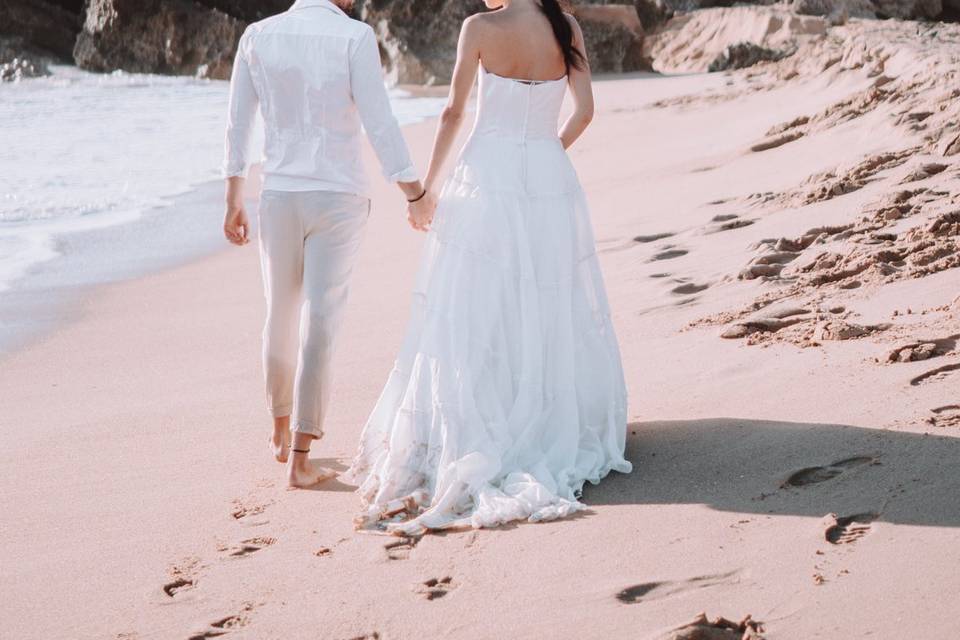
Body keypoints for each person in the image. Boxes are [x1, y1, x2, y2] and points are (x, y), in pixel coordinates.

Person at [342, 0, 633, 535]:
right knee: (546, 297)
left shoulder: (480, 28)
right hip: (548, 175)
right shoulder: (563, 26)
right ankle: (546, 414)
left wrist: (424, 189)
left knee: (479, 301)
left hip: (487, 175)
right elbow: (585, 110)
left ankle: (488, 417)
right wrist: (547, 153)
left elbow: (454, 112)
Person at [221, 0, 437, 488]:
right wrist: (414, 192)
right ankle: (300, 456)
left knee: (279, 312)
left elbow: (238, 123)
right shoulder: (355, 38)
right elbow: (379, 123)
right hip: (338, 195)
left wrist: (234, 195)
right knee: (321, 317)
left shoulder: (257, 35)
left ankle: (280, 435)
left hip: (278, 195)